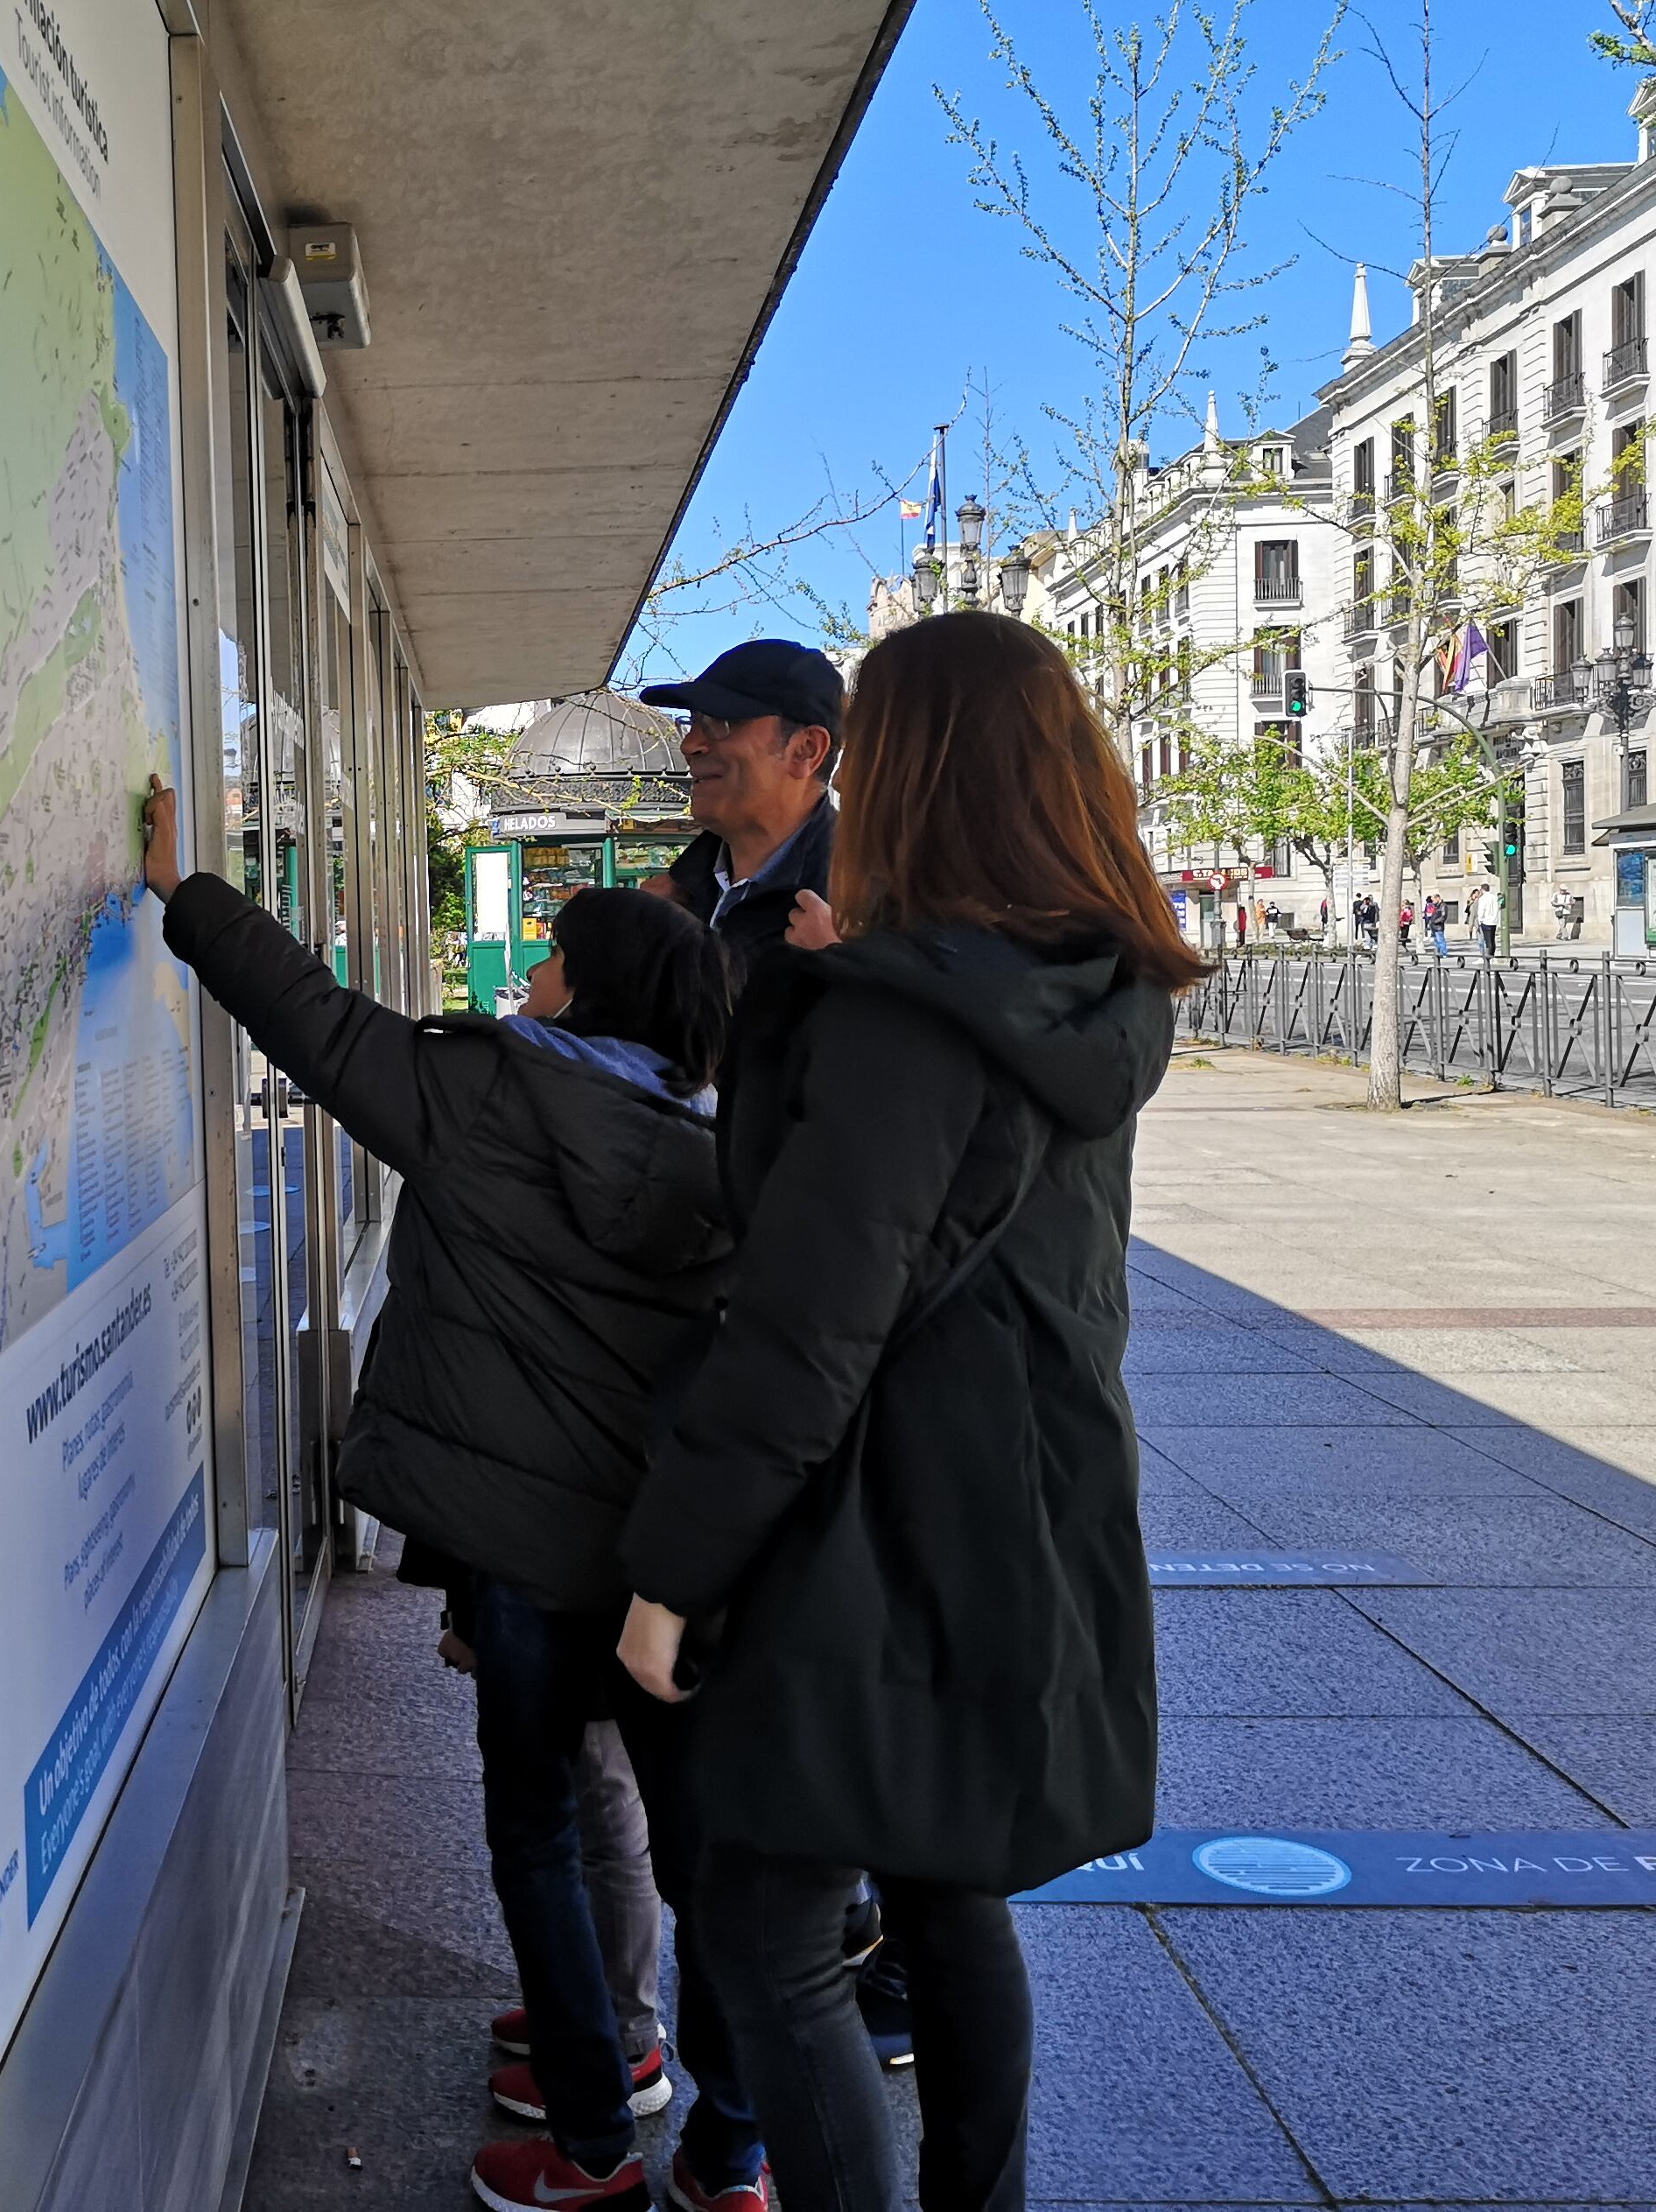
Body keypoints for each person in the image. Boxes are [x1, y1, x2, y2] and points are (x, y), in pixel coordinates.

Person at [613, 611, 1190, 2212]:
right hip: (1030, 1500)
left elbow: (810, 1321)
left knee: (767, 1921)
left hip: (879, 1521)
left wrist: (672, 1574)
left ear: (916, 766)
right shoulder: (1077, 986)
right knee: (942, 1894)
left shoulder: (897, 1017)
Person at [140, 778, 775, 2212]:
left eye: (551, 955)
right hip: (670, 1566)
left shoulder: (495, 1098)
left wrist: (183, 891)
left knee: (539, 1824)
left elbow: (309, 1018)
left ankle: (594, 2138)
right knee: (709, 1865)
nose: (529, 972)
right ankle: (728, 2150)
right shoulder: (715, 1152)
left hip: (525, 1557)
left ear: (594, 986)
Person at [638, 639, 845, 973]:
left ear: (806, 750)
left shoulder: (871, 904)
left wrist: (847, 971)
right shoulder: (667, 900)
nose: (690, 744)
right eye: (692, 722)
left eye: (720, 722)